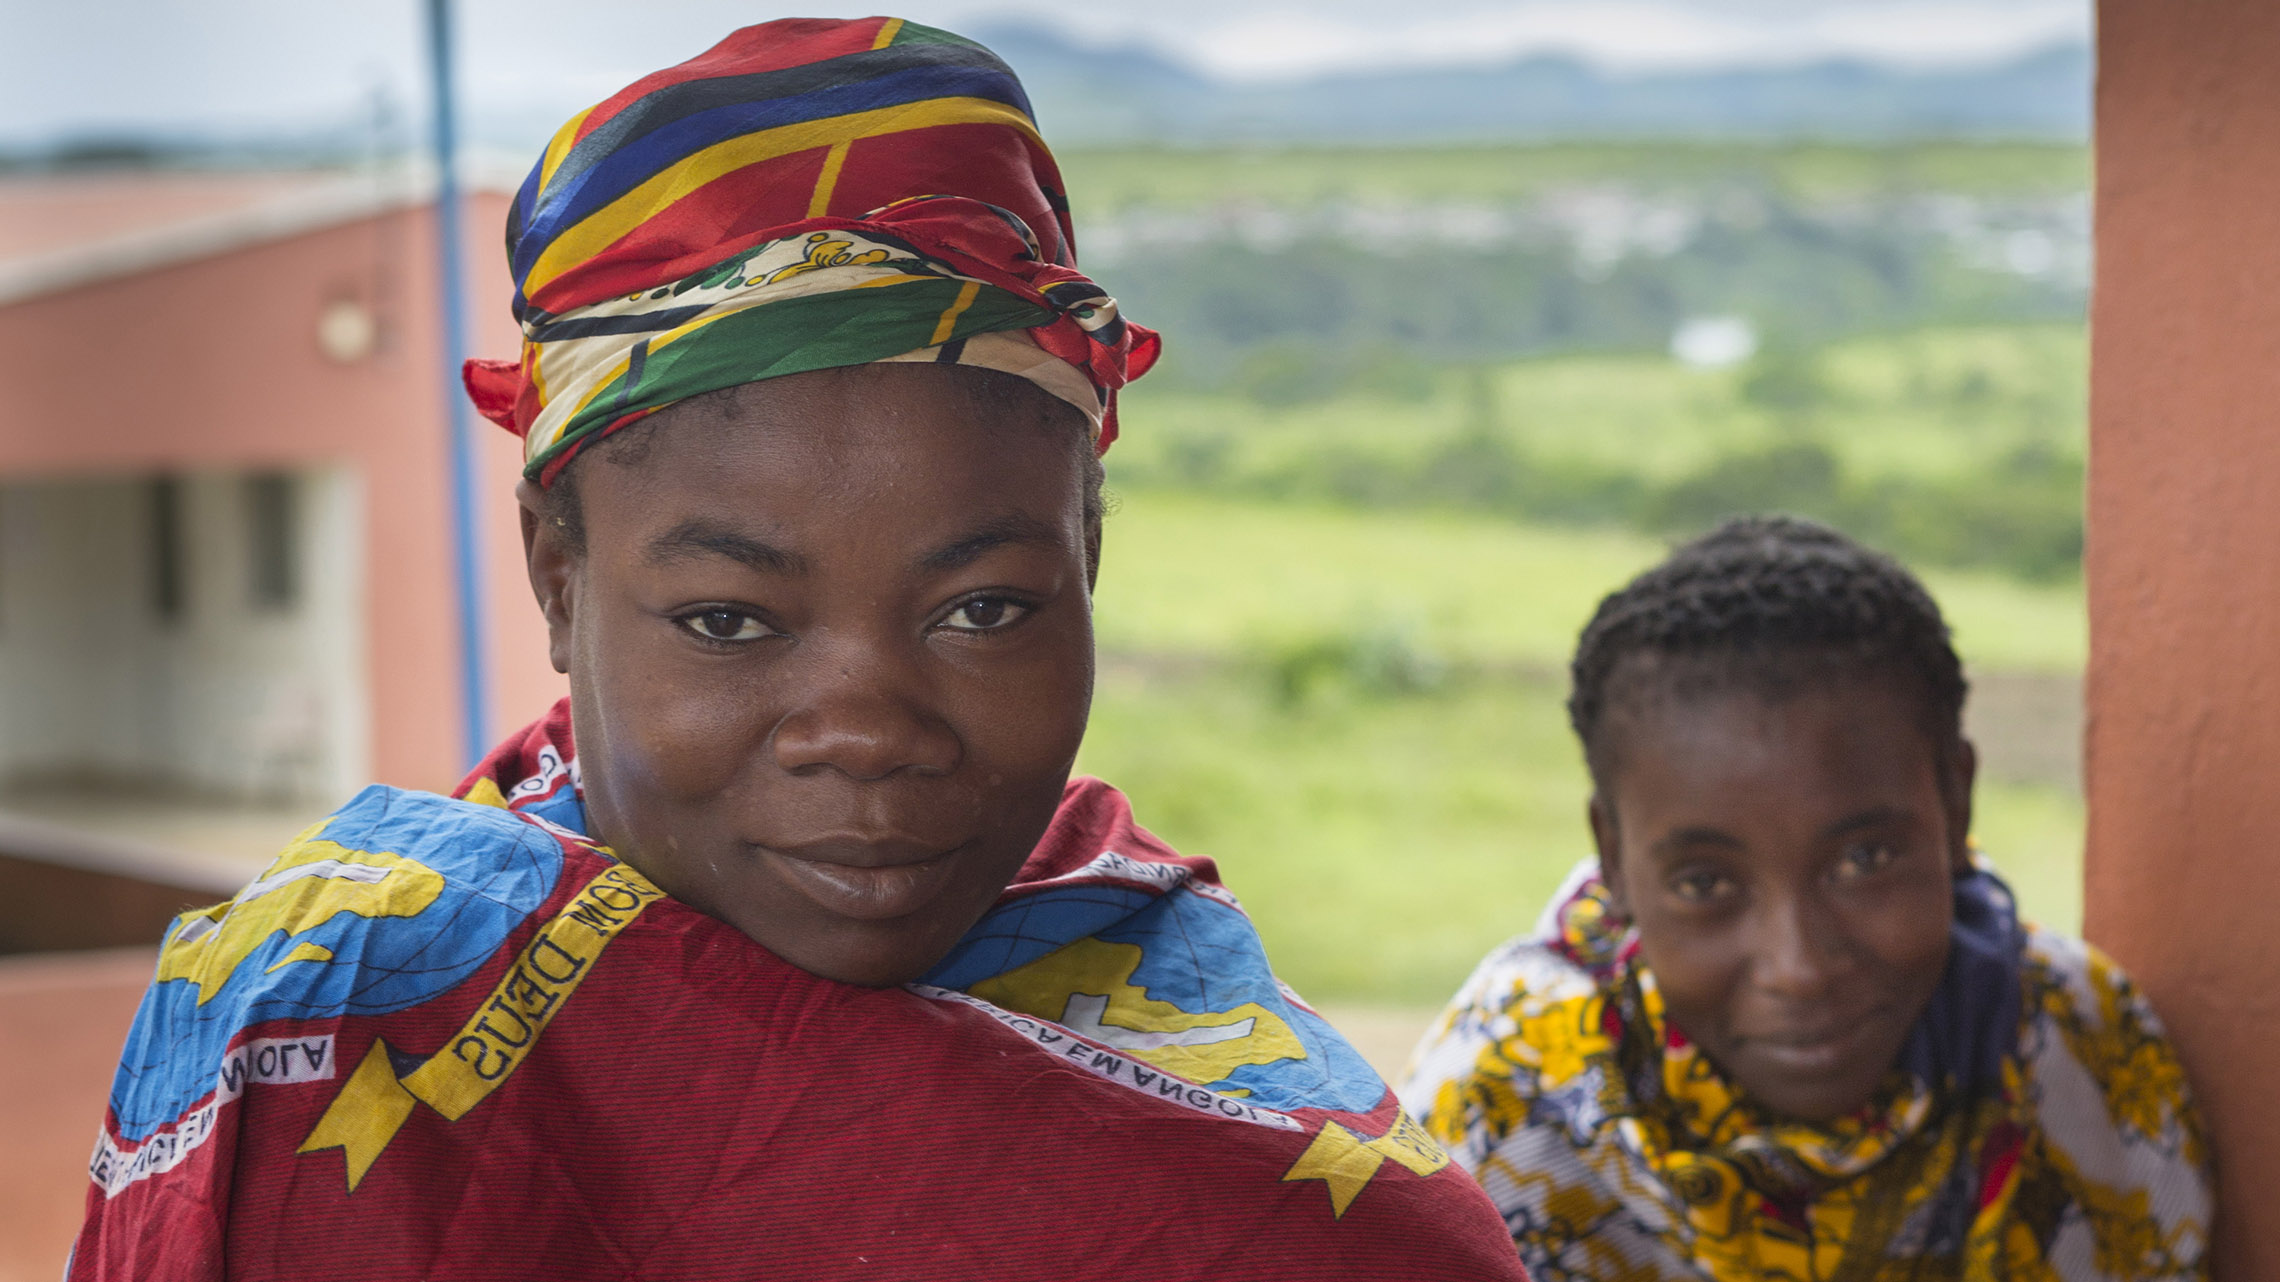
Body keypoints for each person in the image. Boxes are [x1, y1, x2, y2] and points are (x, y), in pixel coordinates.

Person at [68, 20, 1527, 1280]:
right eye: (730, 621)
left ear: (1088, 559)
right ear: (557, 578)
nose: (869, 725)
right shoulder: (338, 1012)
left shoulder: (1273, 1184)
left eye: (985, 609)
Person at [1402, 516, 2210, 1280]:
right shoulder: (1499, 1120)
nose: (1800, 969)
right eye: (1706, 884)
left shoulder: (2084, 1053)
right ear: (1613, 857)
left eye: (1864, 860)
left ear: (1955, 802)